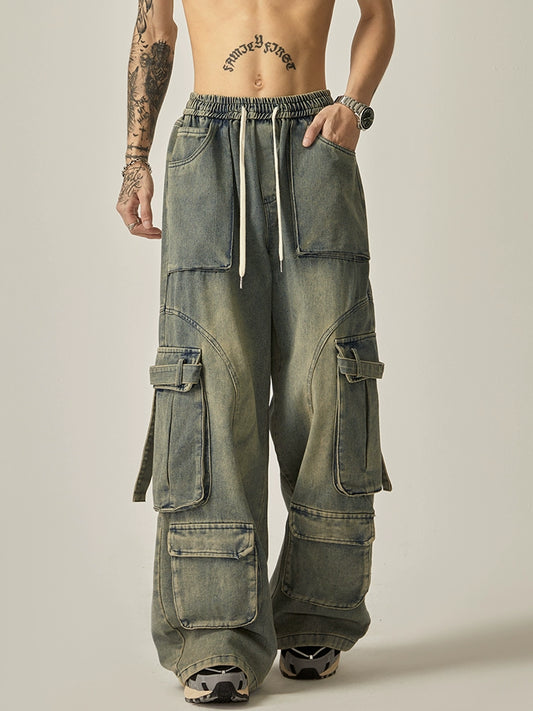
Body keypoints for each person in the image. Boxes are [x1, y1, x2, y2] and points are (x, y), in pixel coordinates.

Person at [116, 0, 395, 704]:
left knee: (328, 380)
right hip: (208, 144)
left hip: (314, 139)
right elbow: (154, 27)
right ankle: (214, 633)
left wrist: (353, 106)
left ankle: (316, 614)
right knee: (209, 383)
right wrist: (134, 159)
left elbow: (377, 14)